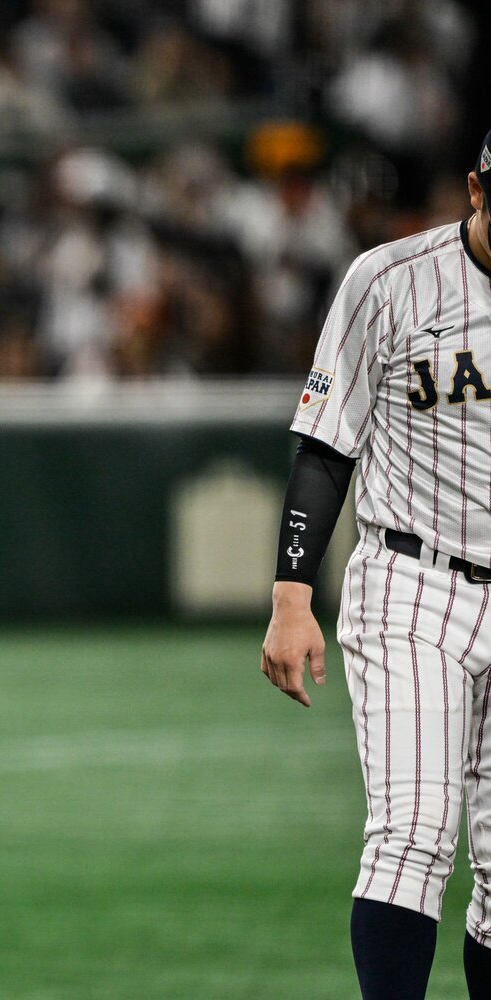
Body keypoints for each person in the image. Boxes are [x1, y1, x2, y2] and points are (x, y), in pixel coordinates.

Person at [261, 129, 491, 1000]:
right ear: (477, 189)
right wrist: (291, 596)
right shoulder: (389, 280)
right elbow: (327, 448)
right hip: (413, 581)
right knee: (415, 833)